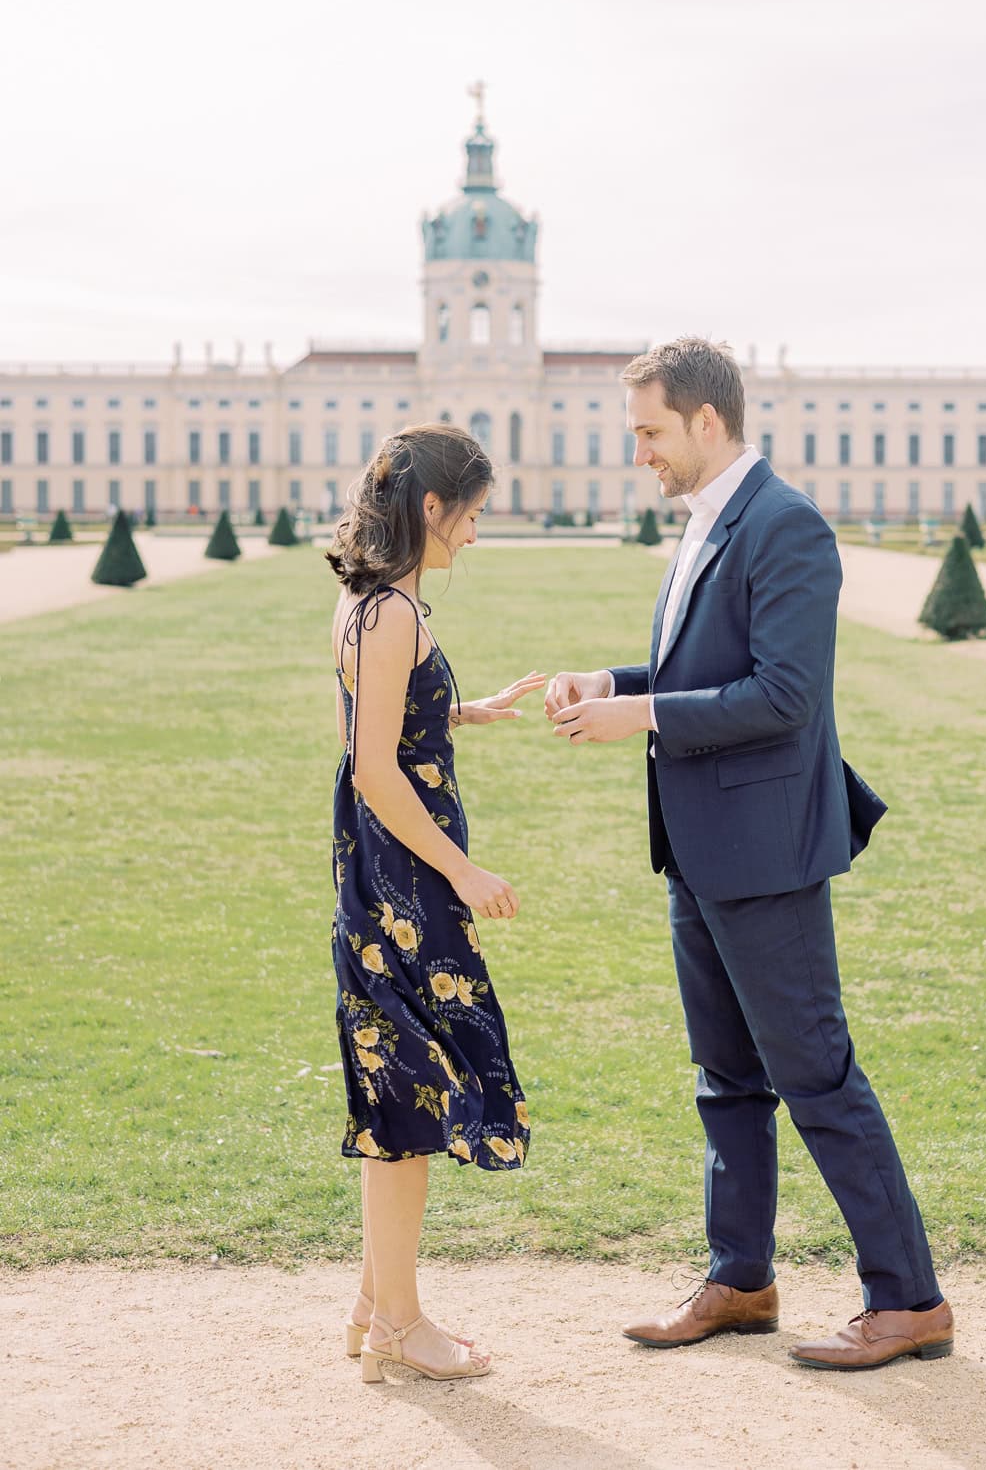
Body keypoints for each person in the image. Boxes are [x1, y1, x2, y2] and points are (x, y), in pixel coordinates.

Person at [545, 338, 952, 1372]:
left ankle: (908, 1300)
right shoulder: (705, 526)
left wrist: (639, 714)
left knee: (816, 1076)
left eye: (649, 431)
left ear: (707, 422)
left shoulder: (787, 526)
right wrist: (611, 678)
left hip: (766, 853)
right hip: (698, 847)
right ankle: (740, 1281)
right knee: (726, 1078)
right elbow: (704, 664)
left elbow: (783, 697)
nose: (638, 451)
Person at [326, 424, 544, 1383]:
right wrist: (461, 869)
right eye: (474, 512)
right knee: (411, 1091)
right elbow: (377, 764)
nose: (477, 532)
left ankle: (378, 1302)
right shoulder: (394, 615)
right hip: (406, 881)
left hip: (380, 871)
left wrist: (466, 711)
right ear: (430, 507)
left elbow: (387, 721)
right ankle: (402, 1326)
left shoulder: (371, 605)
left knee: (405, 1073)